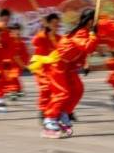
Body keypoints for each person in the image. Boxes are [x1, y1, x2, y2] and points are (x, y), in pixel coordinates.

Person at [42, 9, 98, 138]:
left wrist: (85, 64)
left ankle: (63, 113)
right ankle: (49, 119)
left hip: (69, 67)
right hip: (58, 65)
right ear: (90, 21)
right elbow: (87, 47)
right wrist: (93, 36)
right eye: (95, 20)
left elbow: (83, 52)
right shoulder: (81, 33)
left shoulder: (86, 33)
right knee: (62, 92)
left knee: (78, 89)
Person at [30, 13, 63, 121]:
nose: (56, 25)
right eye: (53, 23)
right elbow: (34, 42)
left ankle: (54, 111)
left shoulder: (60, 38)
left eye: (57, 23)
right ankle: (43, 110)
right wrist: (44, 30)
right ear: (48, 24)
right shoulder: (42, 36)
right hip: (41, 67)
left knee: (55, 90)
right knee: (45, 88)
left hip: (53, 68)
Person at [1, 23, 30, 100]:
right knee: (12, 76)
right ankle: (13, 91)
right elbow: (14, 55)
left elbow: (23, 54)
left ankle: (14, 90)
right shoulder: (8, 40)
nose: (15, 31)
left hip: (16, 63)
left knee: (13, 76)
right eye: (13, 30)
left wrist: (24, 64)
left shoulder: (20, 42)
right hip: (8, 63)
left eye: (17, 29)